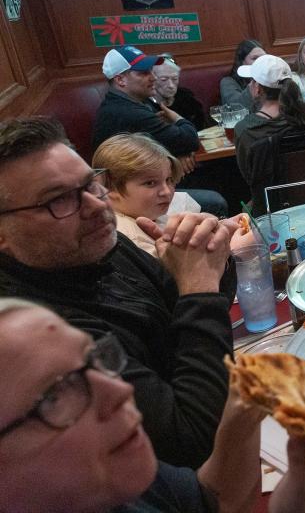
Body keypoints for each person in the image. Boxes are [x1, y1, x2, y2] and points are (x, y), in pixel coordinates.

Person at [0, 116, 235, 468]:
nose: (97, 208)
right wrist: (200, 287)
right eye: (59, 201)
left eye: (90, 186)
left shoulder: (97, 245)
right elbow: (193, 440)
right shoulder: (38, 335)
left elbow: (194, 315)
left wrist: (208, 257)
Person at [0, 299, 305, 513]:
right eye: (57, 393)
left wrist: (302, 488)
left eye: (94, 360)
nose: (120, 391)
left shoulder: (122, 479)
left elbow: (206, 503)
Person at [92, 45, 226, 217]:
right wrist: (178, 118)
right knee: (216, 200)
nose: (153, 78)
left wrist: (178, 152)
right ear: (121, 80)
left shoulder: (138, 102)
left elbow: (174, 140)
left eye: (151, 72)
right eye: (144, 73)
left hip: (148, 179)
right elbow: (190, 139)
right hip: (127, 197)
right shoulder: (128, 112)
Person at [234, 54, 305, 216]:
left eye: (252, 81)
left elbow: (250, 178)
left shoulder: (245, 130)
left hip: (270, 213)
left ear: (257, 88)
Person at [92, 133, 197, 258]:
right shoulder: (135, 242)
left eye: (169, 180)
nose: (167, 192)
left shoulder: (144, 210)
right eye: (150, 183)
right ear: (109, 188)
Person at [153, 54, 209, 130]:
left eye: (175, 79)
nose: (171, 85)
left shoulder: (186, 97)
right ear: (152, 79)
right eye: (164, 79)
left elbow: (204, 126)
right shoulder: (146, 105)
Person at [220, 39, 265, 112]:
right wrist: (254, 83)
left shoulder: (272, 78)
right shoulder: (227, 82)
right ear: (242, 62)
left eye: (263, 58)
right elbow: (236, 108)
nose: (260, 62)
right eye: (254, 58)